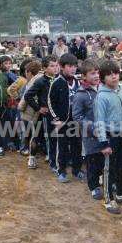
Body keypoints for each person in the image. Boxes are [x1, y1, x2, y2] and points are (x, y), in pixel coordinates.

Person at [94, 60, 122, 214]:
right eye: (109, 74)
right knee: (108, 169)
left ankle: (121, 193)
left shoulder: (121, 93)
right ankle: (108, 199)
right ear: (102, 78)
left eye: (116, 73)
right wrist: (104, 143)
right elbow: (99, 122)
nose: (113, 77)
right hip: (109, 137)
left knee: (121, 166)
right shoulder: (101, 97)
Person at [48, 53, 83, 183]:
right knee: (62, 147)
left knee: (77, 146)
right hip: (62, 121)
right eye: (69, 66)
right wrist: (56, 119)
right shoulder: (57, 82)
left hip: (76, 120)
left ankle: (77, 169)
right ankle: (61, 170)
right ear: (62, 67)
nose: (73, 69)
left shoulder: (78, 82)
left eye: (74, 66)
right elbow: (50, 102)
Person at [72, 59, 103, 200]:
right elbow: (77, 117)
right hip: (90, 136)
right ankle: (94, 186)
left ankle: (106, 181)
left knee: (104, 159)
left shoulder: (103, 90)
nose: (96, 76)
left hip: (105, 133)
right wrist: (92, 127)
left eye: (97, 73)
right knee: (93, 161)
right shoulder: (80, 94)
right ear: (84, 76)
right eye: (92, 73)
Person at [24, 55, 60, 170]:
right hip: (42, 115)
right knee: (37, 136)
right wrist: (38, 108)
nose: (55, 68)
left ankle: (52, 158)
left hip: (55, 115)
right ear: (44, 68)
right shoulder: (40, 81)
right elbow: (28, 96)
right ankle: (32, 157)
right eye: (52, 66)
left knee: (53, 137)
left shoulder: (59, 80)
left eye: (56, 65)